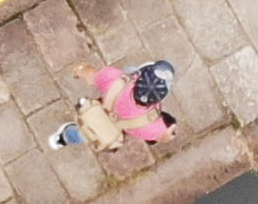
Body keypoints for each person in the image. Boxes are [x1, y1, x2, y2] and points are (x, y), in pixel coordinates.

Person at [52, 60, 180, 149]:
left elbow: (91, 77)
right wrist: (168, 131)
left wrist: (81, 70)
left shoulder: (115, 78)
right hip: (109, 130)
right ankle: (63, 138)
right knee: (87, 135)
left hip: (101, 109)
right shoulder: (153, 127)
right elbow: (162, 137)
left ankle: (65, 136)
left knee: (85, 126)